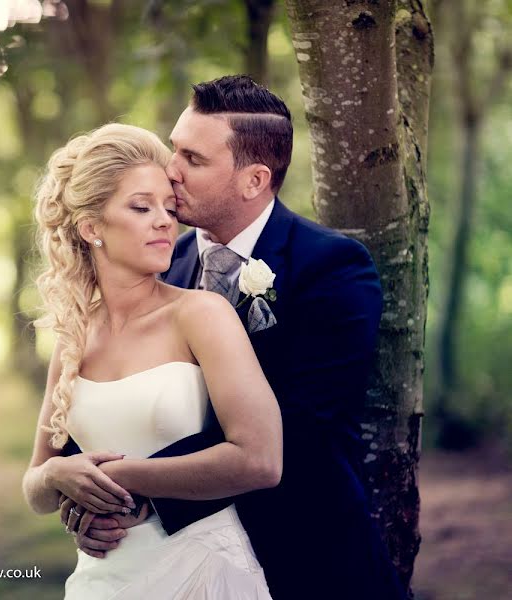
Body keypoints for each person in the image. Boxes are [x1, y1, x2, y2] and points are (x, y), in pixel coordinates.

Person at [61, 76, 406, 600]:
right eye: (174, 148)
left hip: (303, 556)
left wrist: (135, 490)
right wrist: (84, 499)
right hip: (157, 561)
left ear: (254, 180)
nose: (170, 169)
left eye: (193, 159)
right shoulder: (159, 263)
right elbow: (103, 401)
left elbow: (306, 427)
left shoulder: (330, 268)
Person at [21, 122, 283, 599]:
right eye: (142, 207)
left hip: (203, 570)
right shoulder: (73, 336)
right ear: (91, 228)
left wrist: (116, 479)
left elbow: (260, 460)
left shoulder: (201, 314)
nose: (166, 220)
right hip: (102, 579)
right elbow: (36, 487)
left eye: (169, 206)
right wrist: (59, 475)